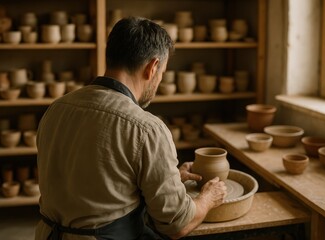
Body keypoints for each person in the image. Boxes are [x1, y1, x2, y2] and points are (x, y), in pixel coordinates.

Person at [35, 17, 227, 240]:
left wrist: (170, 177)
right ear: (152, 67)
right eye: (162, 73)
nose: (159, 80)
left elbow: (92, 180)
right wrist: (208, 198)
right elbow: (176, 224)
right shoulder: (146, 128)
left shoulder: (57, 108)